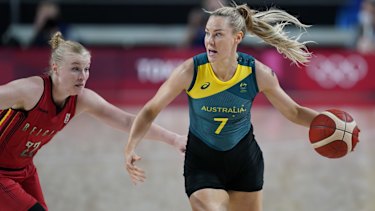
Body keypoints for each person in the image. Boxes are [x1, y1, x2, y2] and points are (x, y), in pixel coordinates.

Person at [125, 2, 320, 211]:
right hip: (202, 164)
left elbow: (295, 112)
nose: (209, 41)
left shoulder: (257, 72)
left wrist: (332, 123)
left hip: (245, 163)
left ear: (237, 38)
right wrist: (130, 146)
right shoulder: (190, 71)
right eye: (207, 33)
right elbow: (150, 110)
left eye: (218, 34)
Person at [0, 32, 186, 211]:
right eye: (75, 68)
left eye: (86, 68)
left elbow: (128, 122)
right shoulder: (30, 91)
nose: (82, 75)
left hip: (24, 169)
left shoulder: (81, 99)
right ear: (56, 68)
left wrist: (174, 139)